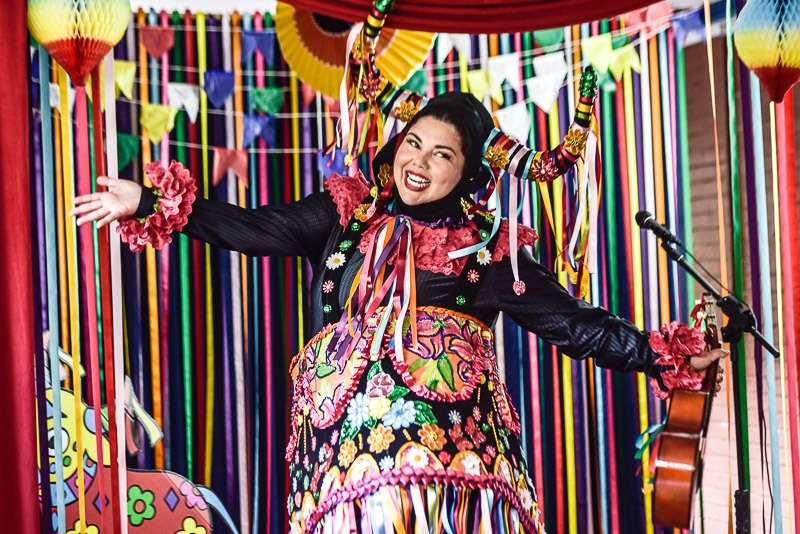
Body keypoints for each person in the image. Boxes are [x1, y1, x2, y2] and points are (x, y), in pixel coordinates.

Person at [71, 77, 725, 533]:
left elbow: (575, 325)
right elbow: (253, 227)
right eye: (413, 142)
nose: (419, 162)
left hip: (452, 476)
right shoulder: (344, 214)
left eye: (442, 154)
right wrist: (150, 203)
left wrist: (666, 354)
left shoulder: (489, 250)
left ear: (468, 174)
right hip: (341, 466)